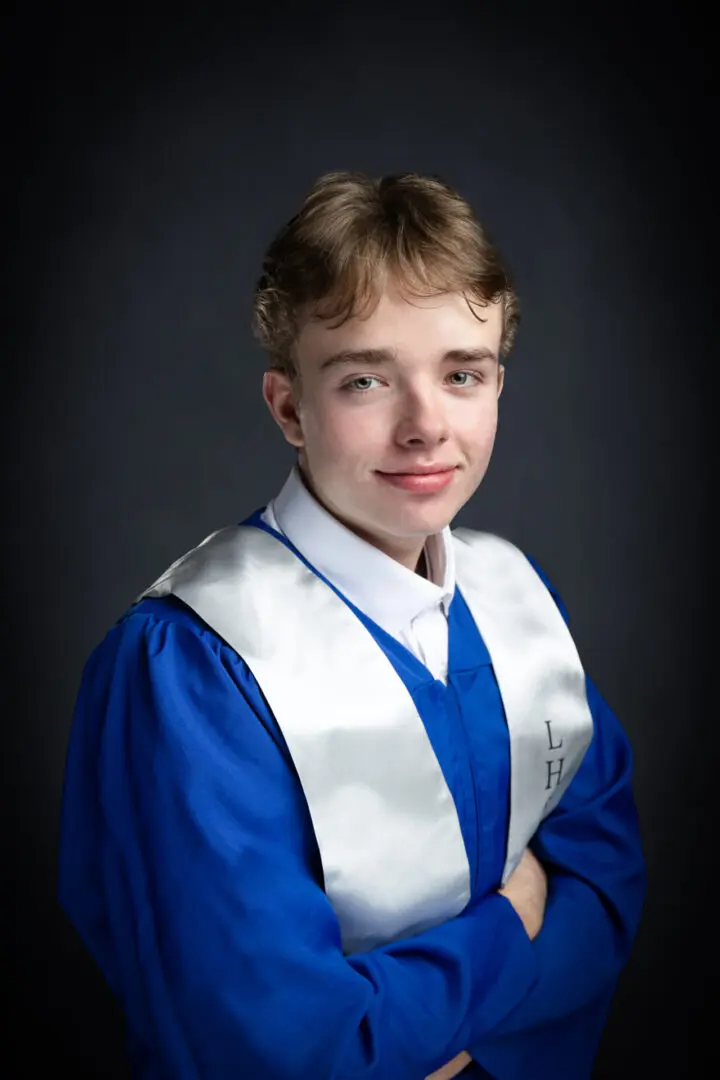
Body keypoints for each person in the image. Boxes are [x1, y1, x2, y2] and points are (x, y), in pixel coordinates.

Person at [58, 171, 646, 1080]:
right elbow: (281, 1050)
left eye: (462, 374)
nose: (425, 427)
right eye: (366, 378)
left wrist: (439, 1041)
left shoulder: (515, 599)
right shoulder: (194, 665)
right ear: (290, 407)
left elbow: (606, 889)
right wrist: (515, 919)